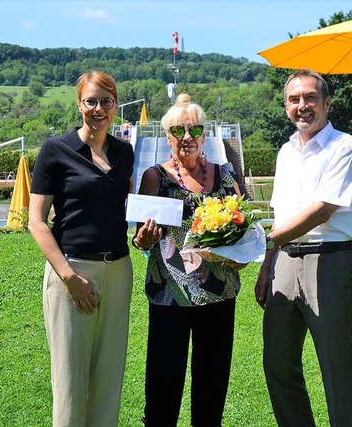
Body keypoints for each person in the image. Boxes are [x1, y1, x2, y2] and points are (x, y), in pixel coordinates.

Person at [254, 69, 352, 426]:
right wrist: (266, 265)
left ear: (327, 102)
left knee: (337, 365)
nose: (302, 106)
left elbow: (323, 209)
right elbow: (282, 215)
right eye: (294, 99)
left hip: (328, 260)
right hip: (283, 264)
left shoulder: (345, 147)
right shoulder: (286, 151)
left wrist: (265, 242)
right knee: (278, 363)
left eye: (310, 98)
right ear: (286, 105)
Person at [28, 71, 134, 427]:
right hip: (72, 272)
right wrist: (69, 277)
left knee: (108, 379)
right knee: (70, 382)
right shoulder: (55, 151)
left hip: (119, 270)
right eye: (91, 101)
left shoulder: (124, 153)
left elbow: (122, 209)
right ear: (79, 105)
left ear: (115, 105)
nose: (99, 108)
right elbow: (37, 222)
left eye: (106, 101)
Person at [133, 96, 244, 426]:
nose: (187, 136)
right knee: (163, 388)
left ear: (204, 134)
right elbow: (139, 236)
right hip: (170, 296)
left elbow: (244, 226)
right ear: (167, 137)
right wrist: (145, 240)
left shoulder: (225, 175)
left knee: (212, 389)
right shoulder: (155, 177)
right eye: (177, 130)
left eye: (194, 128)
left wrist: (243, 253)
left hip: (218, 292)